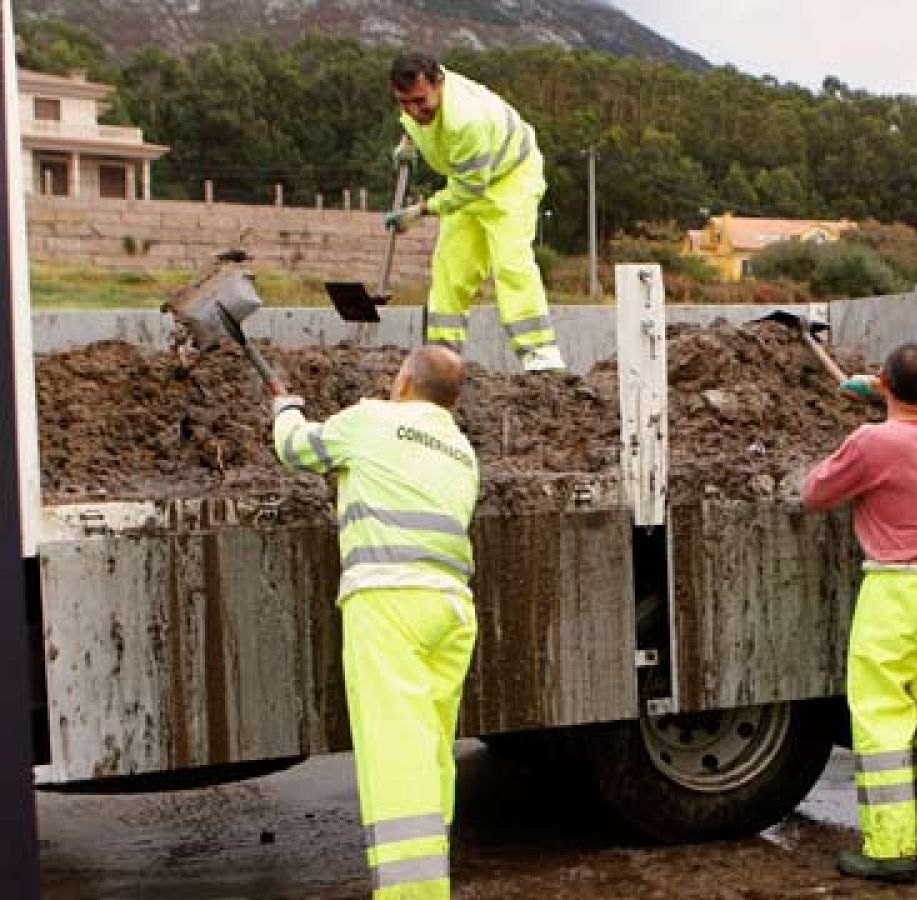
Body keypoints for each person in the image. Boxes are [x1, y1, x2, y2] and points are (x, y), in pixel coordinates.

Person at [271, 346, 480, 899]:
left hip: (391, 604)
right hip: (453, 610)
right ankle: (430, 886)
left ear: (406, 379)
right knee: (433, 755)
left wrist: (285, 407)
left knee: (395, 757)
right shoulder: (461, 449)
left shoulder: (370, 420)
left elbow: (297, 448)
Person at [802, 344, 917, 885]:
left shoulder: (872, 443)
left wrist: (868, 395)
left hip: (898, 590)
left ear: (884, 381)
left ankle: (891, 847)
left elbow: (814, 493)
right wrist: (875, 387)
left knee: (881, 713)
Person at [385, 53, 565, 373]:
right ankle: (440, 359)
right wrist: (409, 141)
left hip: (510, 177)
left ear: (439, 83)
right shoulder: (422, 99)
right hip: (470, 179)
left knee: (511, 263)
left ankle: (541, 357)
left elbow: (471, 189)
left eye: (420, 102)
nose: (414, 110)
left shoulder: (466, 120)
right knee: (450, 268)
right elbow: (418, 124)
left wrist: (422, 210)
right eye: (404, 103)